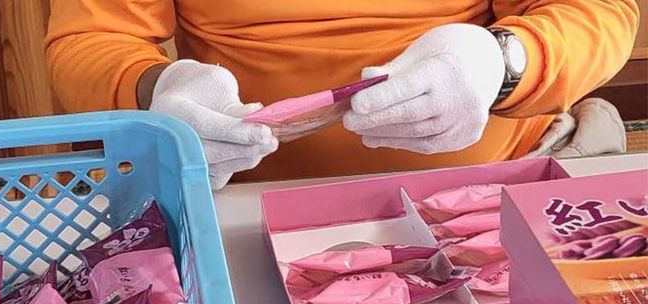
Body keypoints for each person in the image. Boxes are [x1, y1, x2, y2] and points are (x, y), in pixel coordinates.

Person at [46, 2, 638, 189]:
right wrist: (157, 90)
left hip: (503, 182)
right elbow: (93, 37)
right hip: (242, 202)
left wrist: (502, 61)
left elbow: (596, 12)